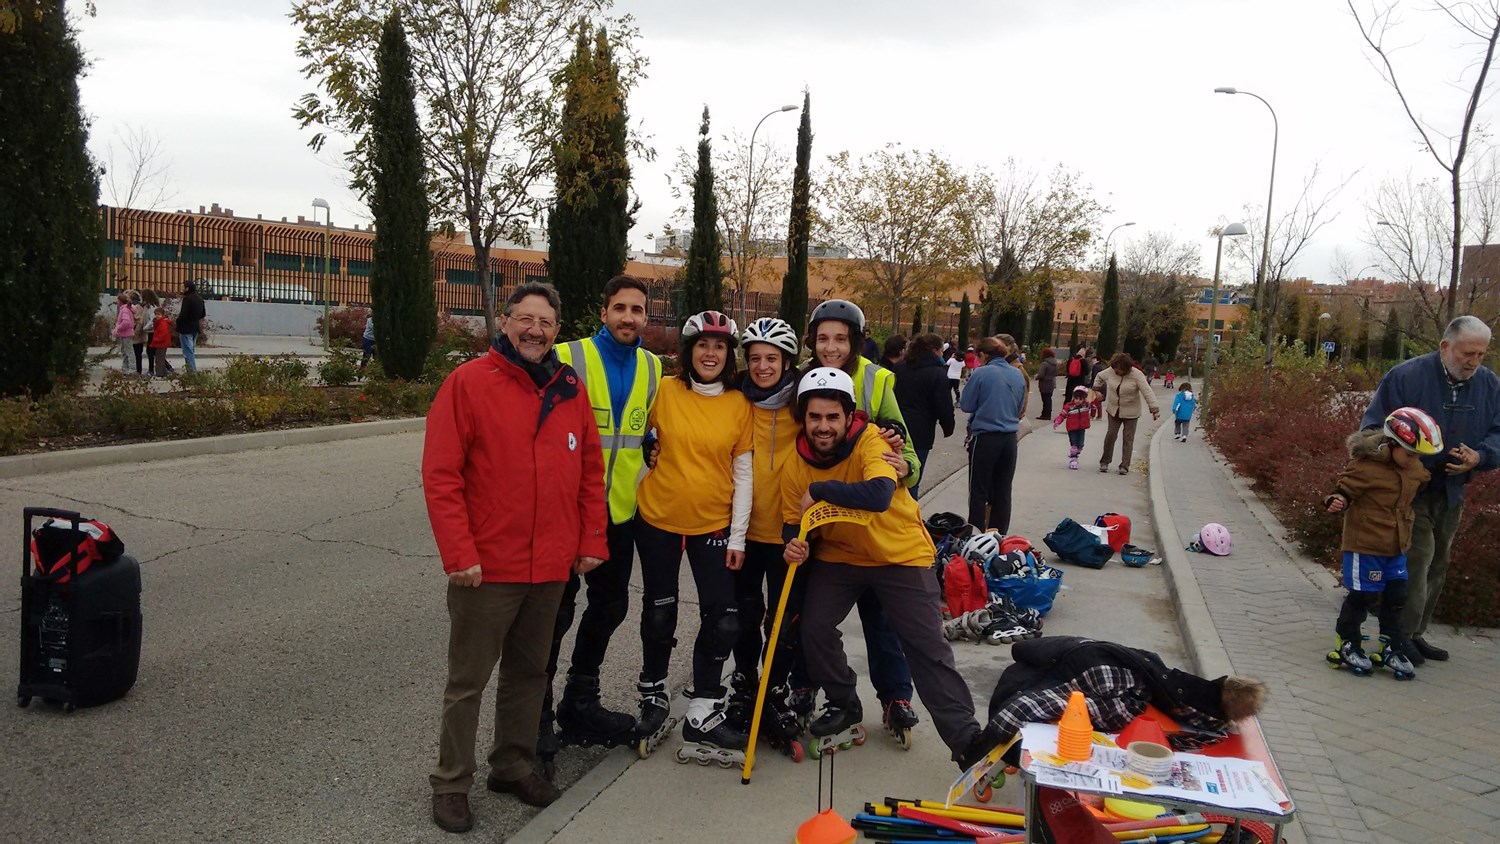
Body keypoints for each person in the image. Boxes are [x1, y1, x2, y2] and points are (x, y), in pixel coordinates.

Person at [421, 281, 607, 833]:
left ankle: (512, 765)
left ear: (557, 330)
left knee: (530, 673)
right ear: (504, 322)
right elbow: (441, 476)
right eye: (526, 319)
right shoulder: (468, 383)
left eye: (546, 322)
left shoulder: (568, 388)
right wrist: (459, 552)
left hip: (549, 567)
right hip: (486, 569)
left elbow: (590, 471)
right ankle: (452, 782)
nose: (535, 330)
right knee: (468, 681)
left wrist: (591, 540)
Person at [781, 366, 989, 770]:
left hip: (900, 554)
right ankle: (844, 701)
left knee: (926, 645)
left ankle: (967, 740)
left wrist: (820, 490)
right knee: (814, 629)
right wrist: (795, 544)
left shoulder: (872, 441)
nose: (823, 427)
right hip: (841, 556)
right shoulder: (795, 462)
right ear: (803, 419)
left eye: (832, 418)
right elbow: (795, 522)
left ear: (848, 417)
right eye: (814, 418)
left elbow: (878, 494)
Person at [537, 276, 662, 770]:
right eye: (620, 308)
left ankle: (579, 702)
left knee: (609, 607)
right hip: (566, 513)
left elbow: (651, 426)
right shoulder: (569, 357)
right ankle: (537, 716)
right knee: (553, 616)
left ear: (647, 317)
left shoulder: (653, 367)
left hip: (618, 515)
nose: (628, 317)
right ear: (604, 311)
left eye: (637, 310)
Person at [633, 310, 754, 761]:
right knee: (659, 613)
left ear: (729, 355)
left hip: (714, 526)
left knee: (724, 619)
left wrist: (738, 537)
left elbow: (745, 475)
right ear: (689, 351)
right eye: (703, 345)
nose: (710, 353)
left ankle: (704, 708)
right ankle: (654, 695)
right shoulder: (664, 390)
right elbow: (636, 439)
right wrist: (644, 450)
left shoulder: (739, 404)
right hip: (658, 519)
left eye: (720, 346)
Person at [803, 299, 922, 739]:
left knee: (882, 620)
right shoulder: (803, 378)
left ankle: (895, 697)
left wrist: (908, 467)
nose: (830, 348)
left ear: (855, 340)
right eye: (822, 338)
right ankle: (815, 690)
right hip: (827, 525)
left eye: (840, 338)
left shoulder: (876, 379)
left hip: (877, 523)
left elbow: (903, 448)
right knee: (811, 618)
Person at [1359, 315, 1500, 665]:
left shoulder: (1489, 385)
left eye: (1481, 355)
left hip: (1453, 488)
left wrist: (1480, 455)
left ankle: (1416, 633)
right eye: (1468, 353)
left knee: (1439, 562)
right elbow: (1373, 429)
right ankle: (1399, 636)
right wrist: (1404, 457)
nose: (1474, 362)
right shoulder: (1406, 377)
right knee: (1418, 559)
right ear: (1445, 347)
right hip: (1409, 490)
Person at [965, 636, 1267, 767]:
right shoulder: (1120, 686)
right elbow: (1023, 709)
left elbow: (1019, 708)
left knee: (1157, 689)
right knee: (1157, 688)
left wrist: (977, 752)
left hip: (1098, 663)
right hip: (1099, 665)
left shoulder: (1130, 687)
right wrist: (979, 753)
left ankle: (1213, 705)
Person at [724, 317, 804, 741]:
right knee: (744, 614)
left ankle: (776, 686)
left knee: (783, 620)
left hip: (790, 532)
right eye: (754, 358)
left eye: (771, 358)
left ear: (787, 361)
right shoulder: (736, 399)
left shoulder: (804, 401)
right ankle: (743, 680)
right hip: (746, 529)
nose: (762, 366)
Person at [1324, 408, 1441, 680]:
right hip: (1365, 545)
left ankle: (1391, 644)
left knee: (1397, 596)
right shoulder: (1367, 466)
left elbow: (1422, 481)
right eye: (1410, 454)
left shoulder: (1414, 468)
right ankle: (1348, 642)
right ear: (1392, 443)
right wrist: (1337, 500)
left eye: (1418, 456)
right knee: (1363, 596)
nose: (1414, 460)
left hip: (1397, 545)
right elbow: (1344, 488)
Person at [961, 337, 1027, 531]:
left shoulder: (981, 373)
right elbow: (1020, 408)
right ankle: (999, 533)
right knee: (1003, 490)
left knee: (979, 490)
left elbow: (967, 404)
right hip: (1009, 438)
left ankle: (976, 532)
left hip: (985, 436)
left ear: (983, 355)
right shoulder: (1017, 374)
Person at [892, 333, 956, 498]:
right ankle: (908, 518)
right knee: (912, 477)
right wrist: (948, 426)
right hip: (921, 432)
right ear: (935, 351)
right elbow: (944, 405)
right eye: (942, 351)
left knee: (892, 474)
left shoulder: (899, 367)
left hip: (894, 429)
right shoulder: (937, 374)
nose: (943, 355)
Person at [1091, 352, 1160, 475]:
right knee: (1111, 435)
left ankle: (1124, 465)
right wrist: (1096, 390)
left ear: (1127, 368)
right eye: (1116, 369)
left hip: (1131, 412)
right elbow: (1099, 376)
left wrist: (1154, 409)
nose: (1117, 372)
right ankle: (1105, 461)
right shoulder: (1111, 371)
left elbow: (1147, 392)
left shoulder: (1137, 375)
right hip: (1113, 409)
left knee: (1128, 439)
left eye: (1120, 370)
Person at [1053, 385, 1092, 470]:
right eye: (1076, 398)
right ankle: (1073, 459)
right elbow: (1062, 415)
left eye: (1080, 399)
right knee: (1074, 445)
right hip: (1072, 429)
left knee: (1080, 445)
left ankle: (1075, 454)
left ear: (1084, 399)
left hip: (1082, 428)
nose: (1078, 401)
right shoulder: (1069, 406)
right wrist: (1058, 421)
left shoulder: (1086, 406)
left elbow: (1093, 405)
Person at [995, 334, 1030, 420]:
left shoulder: (1018, 371)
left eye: (997, 347)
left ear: (1009, 349)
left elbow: (1022, 405)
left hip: (1004, 423)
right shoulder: (993, 367)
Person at [176, 279, 207, 373]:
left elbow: (183, 314)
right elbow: (203, 314)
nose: (182, 289)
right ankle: (192, 370)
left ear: (187, 288)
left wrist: (178, 322)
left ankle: (191, 372)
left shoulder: (187, 299)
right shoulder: (199, 299)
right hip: (195, 327)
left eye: (183, 287)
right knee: (191, 350)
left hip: (186, 328)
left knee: (187, 352)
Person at [111, 293, 135, 374]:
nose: (116, 301)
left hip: (126, 334)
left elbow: (126, 322)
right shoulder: (125, 309)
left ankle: (131, 369)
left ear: (121, 301)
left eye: (117, 300)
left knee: (128, 352)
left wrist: (118, 328)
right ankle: (125, 368)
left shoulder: (124, 310)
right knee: (125, 351)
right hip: (125, 334)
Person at [148, 307, 172, 377]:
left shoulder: (162, 323)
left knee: (159, 359)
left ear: (162, 315)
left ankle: (159, 373)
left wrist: (156, 339)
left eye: (158, 314)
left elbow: (163, 333)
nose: (157, 316)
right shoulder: (159, 322)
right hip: (161, 343)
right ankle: (163, 372)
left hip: (161, 343)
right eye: (156, 314)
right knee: (160, 358)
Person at [127, 290, 147, 375]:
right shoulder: (131, 306)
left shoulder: (137, 307)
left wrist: (136, 333)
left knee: (137, 353)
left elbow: (139, 321)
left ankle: (138, 371)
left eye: (127, 296)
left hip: (136, 335)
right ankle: (134, 369)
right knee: (133, 353)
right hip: (132, 333)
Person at [1036, 347, 1059, 421]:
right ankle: (1048, 413)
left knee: (1045, 399)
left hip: (1044, 384)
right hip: (1051, 383)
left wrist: (1037, 377)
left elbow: (1041, 374)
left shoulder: (1044, 364)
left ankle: (1045, 414)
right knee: (1048, 399)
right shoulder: (1054, 363)